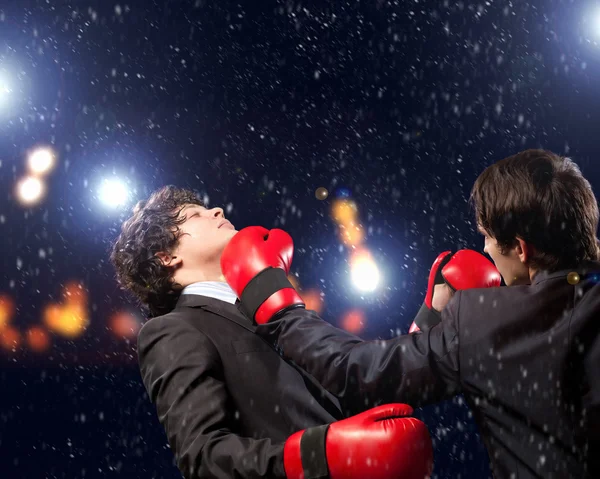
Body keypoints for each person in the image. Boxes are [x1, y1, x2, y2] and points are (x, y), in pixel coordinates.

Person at [220, 149, 600, 479]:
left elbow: (354, 370)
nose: (485, 250)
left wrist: (273, 301)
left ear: (520, 248)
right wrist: (432, 324)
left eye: (486, 236)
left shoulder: (485, 322)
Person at [109, 186, 434, 479]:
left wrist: (431, 320)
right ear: (167, 257)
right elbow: (204, 457)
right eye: (195, 215)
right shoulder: (171, 329)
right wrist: (316, 455)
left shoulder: (269, 308)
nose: (217, 210)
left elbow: (353, 387)